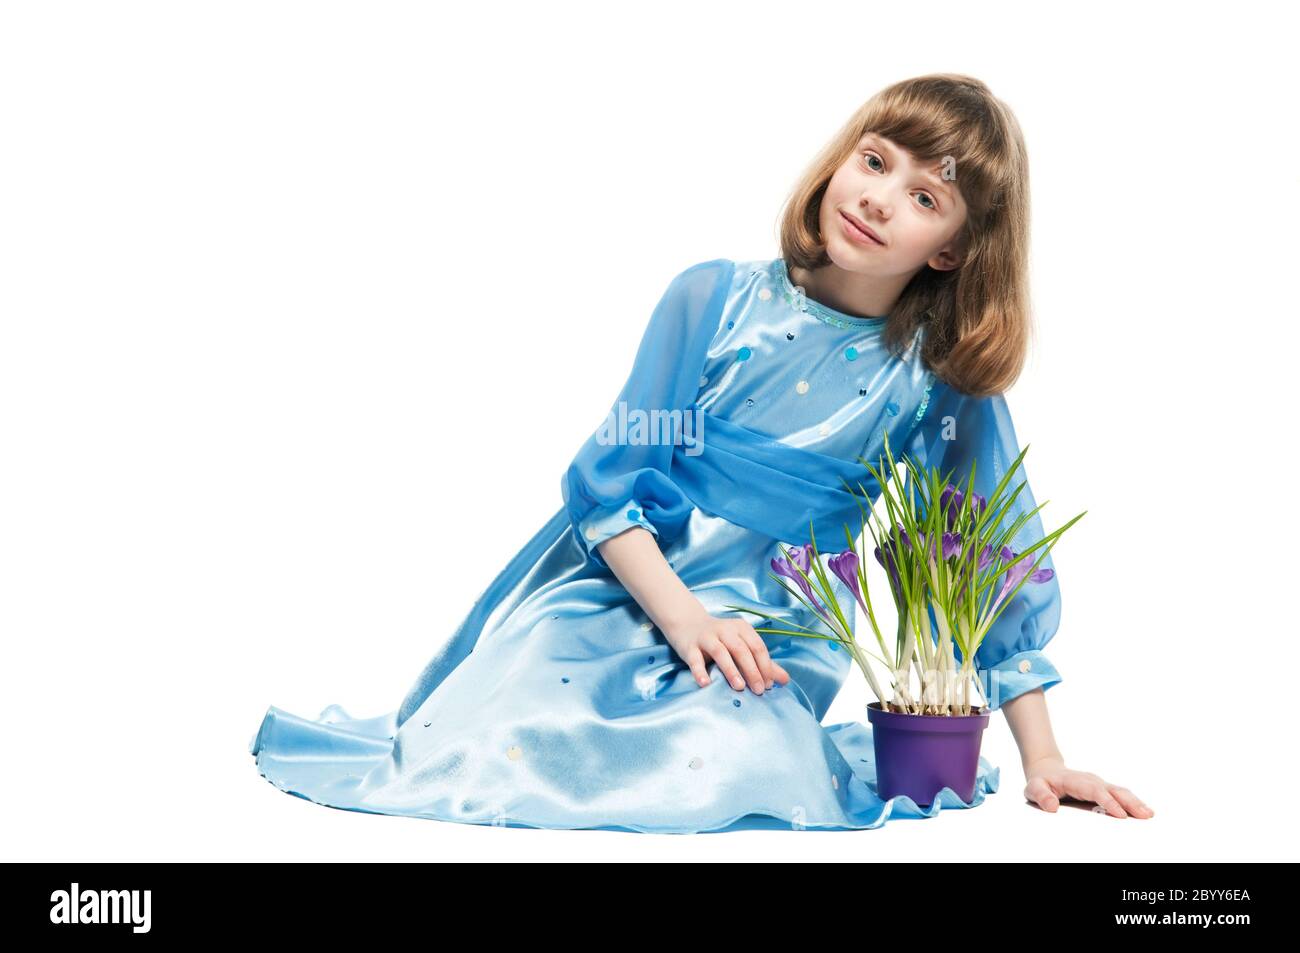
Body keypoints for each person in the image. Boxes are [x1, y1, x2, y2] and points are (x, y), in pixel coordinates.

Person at [250, 73, 1153, 832]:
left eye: (925, 195)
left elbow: (986, 555)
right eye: (875, 161)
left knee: (733, 757)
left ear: (954, 248)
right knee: (525, 733)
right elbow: (611, 481)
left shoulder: (934, 381)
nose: (880, 197)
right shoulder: (715, 302)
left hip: (767, 639)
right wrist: (685, 619)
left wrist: (1046, 756)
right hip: (624, 589)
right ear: (841, 160)